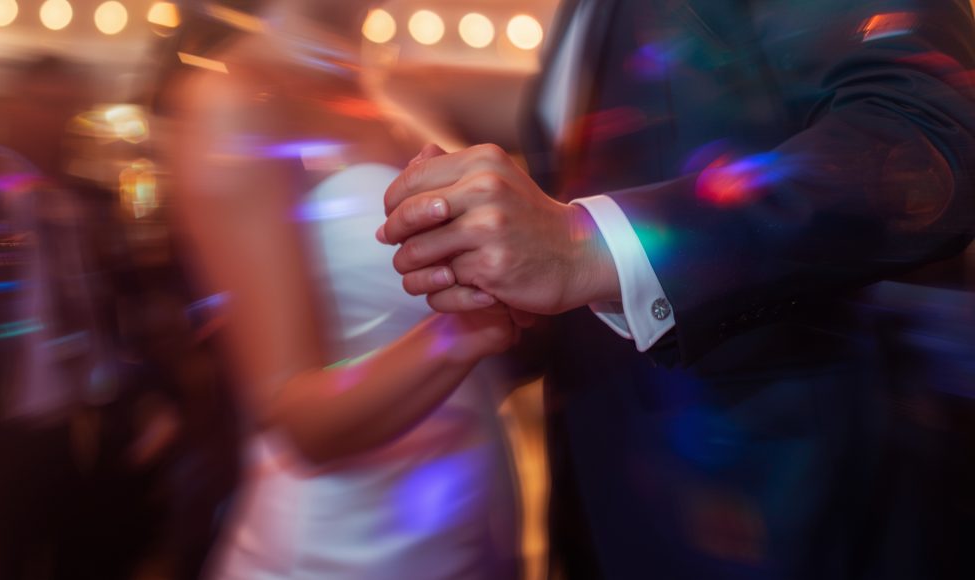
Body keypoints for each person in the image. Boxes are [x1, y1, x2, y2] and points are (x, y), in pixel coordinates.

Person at [380, 0, 975, 578]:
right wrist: (506, 298)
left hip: (790, 505)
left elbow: (922, 143)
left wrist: (583, 244)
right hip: (602, 495)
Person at [159, 1, 519, 578]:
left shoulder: (403, 85)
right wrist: (466, 327)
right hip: (348, 551)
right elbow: (301, 421)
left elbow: (599, 75)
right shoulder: (233, 101)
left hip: (471, 524)